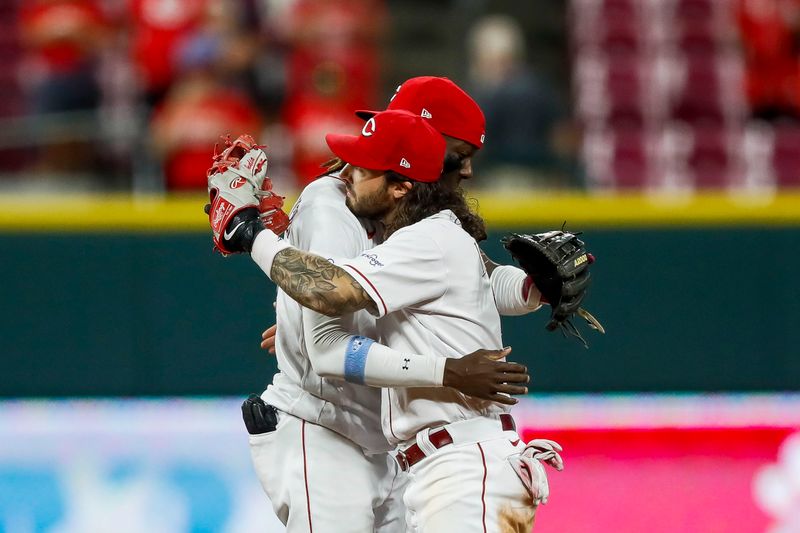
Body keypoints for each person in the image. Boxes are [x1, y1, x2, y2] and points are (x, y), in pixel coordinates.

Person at [210, 108, 560, 532]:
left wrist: (249, 232)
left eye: (365, 166)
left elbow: (329, 289)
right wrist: (532, 289)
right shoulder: (423, 230)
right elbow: (331, 323)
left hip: (462, 466)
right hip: (415, 456)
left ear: (401, 187)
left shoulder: (425, 239)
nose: (349, 172)